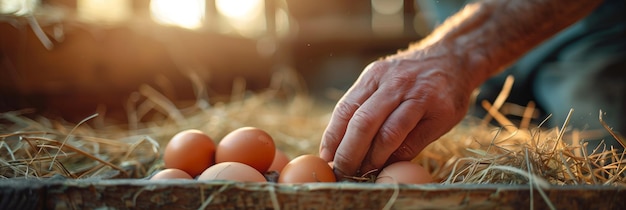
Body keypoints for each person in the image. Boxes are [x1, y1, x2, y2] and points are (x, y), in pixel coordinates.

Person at [319, 0, 626, 180]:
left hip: (582, 31)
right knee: (461, 168)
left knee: (604, 160)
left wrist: (459, 52)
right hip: (460, 31)